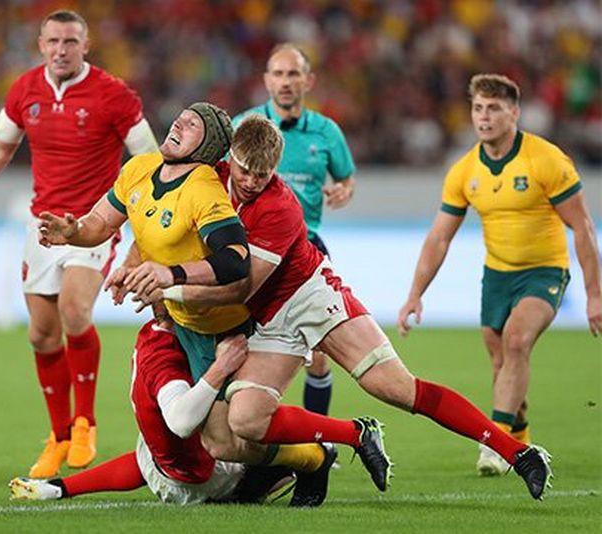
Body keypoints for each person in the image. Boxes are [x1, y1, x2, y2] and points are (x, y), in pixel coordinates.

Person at [122, 114, 553, 500]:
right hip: (266, 320)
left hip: (309, 297)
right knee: (246, 422)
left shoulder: (279, 207)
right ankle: (347, 438)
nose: (252, 181)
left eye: (262, 173)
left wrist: (168, 287)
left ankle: (519, 453)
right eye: (244, 170)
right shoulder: (205, 180)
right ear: (228, 158)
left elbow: (237, 289)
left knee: (397, 389)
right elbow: (160, 220)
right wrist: (134, 262)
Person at [37, 103, 392, 507]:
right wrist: (74, 232)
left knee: (234, 431)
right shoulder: (138, 169)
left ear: (208, 148)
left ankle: (336, 443)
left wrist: (168, 278)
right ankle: (311, 459)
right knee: (225, 442)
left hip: (219, 325)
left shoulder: (205, 189)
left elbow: (233, 261)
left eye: (193, 124)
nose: (179, 122)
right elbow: (102, 225)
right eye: (182, 117)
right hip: (183, 321)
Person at [0, 9, 159, 477]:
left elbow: (150, 161)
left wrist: (149, 228)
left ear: (85, 45)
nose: (61, 49)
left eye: (70, 41)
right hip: (42, 226)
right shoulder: (25, 90)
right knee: (40, 334)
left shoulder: (114, 95)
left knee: (76, 311)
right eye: (53, 41)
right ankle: (58, 436)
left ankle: (86, 422)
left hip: (93, 224)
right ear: (40, 44)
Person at [397, 73, 601, 476]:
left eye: (494, 108)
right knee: (499, 357)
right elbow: (439, 238)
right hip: (497, 275)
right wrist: (414, 293)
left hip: (545, 270)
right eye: (478, 108)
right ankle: (520, 438)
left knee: (517, 339)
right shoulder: (464, 171)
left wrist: (594, 295)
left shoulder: (546, 160)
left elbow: (583, 227)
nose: (484, 117)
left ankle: (495, 442)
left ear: (514, 113)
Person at [9, 320, 295, 505]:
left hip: (171, 458)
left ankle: (57, 488)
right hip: (199, 475)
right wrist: (220, 369)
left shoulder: (153, 337)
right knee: (248, 426)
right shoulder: (166, 352)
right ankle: (316, 451)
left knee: (157, 458)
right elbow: (183, 424)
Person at [233, 43, 357, 417]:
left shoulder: (326, 132)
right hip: (251, 247)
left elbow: (347, 178)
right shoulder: (244, 125)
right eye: (279, 74)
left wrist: (342, 191)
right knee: (239, 342)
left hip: (307, 246)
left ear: (308, 80)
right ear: (266, 80)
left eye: (293, 74)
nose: (286, 82)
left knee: (319, 354)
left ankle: (320, 441)